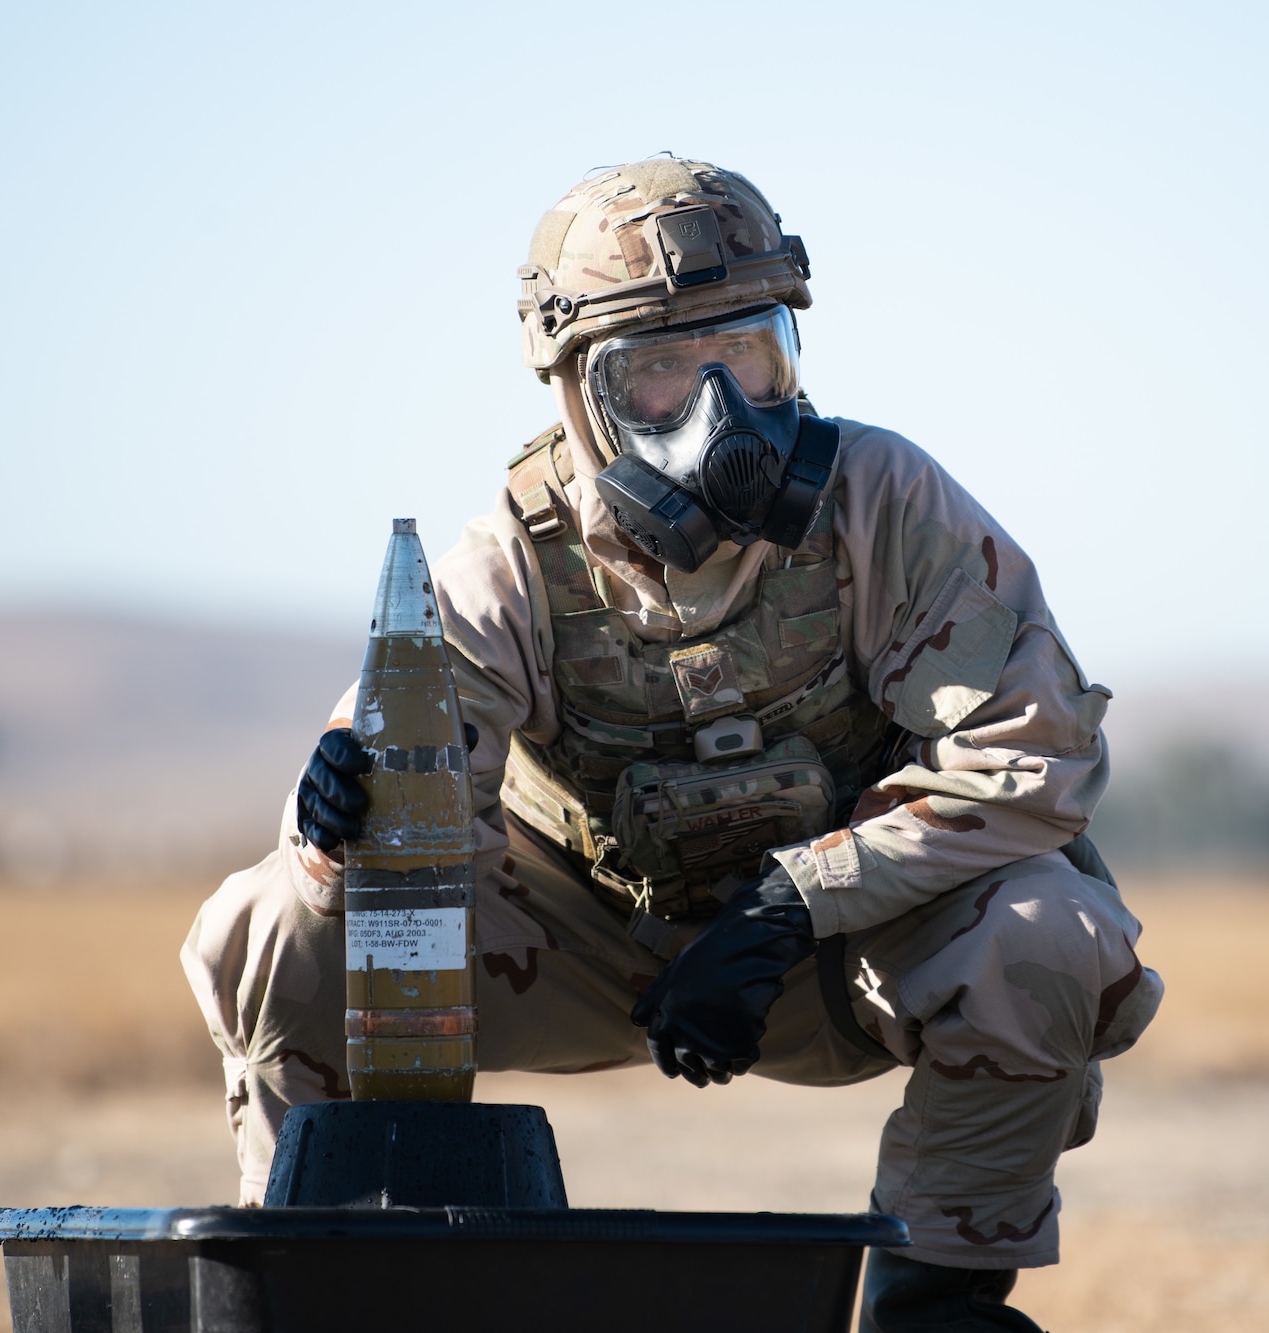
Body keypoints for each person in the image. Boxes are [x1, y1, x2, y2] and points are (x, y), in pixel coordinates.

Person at [182, 155, 1163, 1332]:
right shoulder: (509, 554)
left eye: (743, 356)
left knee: (1048, 930)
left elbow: (1029, 759)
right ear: (578, 395)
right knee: (272, 919)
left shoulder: (884, 500)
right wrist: (334, 827)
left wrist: (795, 901)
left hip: (829, 951)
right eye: (656, 372)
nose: (719, 414)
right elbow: (399, 804)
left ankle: (936, 1297)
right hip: (576, 942)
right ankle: (310, 1281)